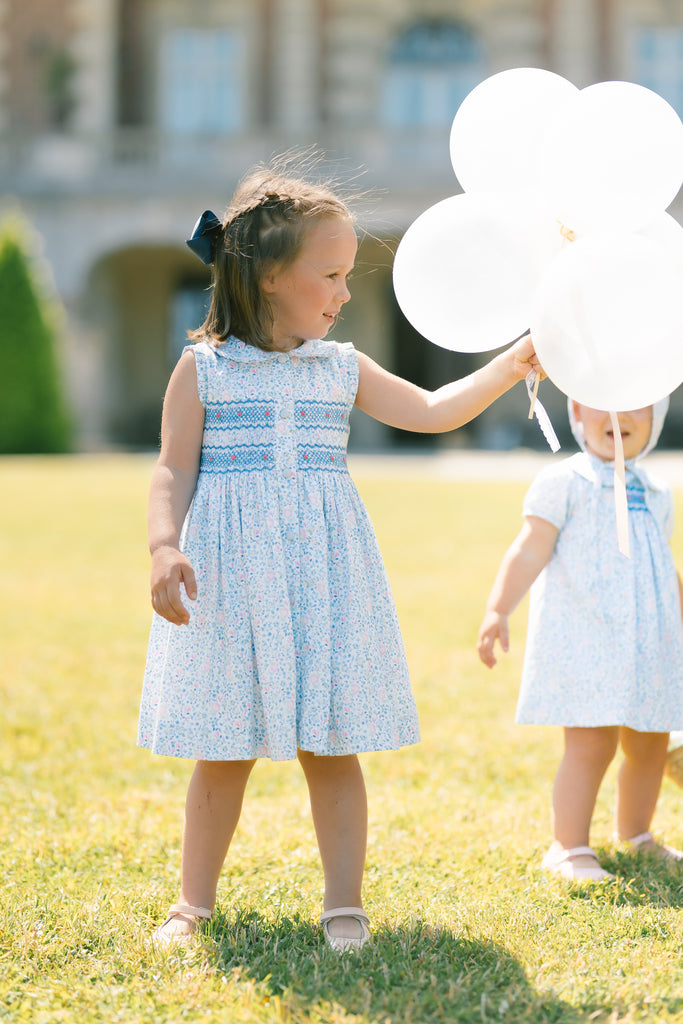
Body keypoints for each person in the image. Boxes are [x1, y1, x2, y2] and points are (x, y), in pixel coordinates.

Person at [138, 159, 542, 950]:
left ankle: (343, 904)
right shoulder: (205, 370)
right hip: (233, 578)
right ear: (268, 278)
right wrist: (161, 546)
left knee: (331, 742)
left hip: (326, 573)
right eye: (330, 274)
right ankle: (192, 903)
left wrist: (509, 363)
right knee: (223, 749)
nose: (345, 291)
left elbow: (430, 411)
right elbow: (171, 466)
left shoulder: (341, 367)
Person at [477, 398, 683, 881]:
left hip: (646, 642)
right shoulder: (565, 482)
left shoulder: (655, 491)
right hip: (586, 636)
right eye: (603, 406)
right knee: (591, 745)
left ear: (657, 418)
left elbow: (662, 566)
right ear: (575, 412)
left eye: (638, 406)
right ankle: (567, 846)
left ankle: (636, 834)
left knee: (649, 743)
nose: (620, 417)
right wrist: (498, 608)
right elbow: (529, 549)